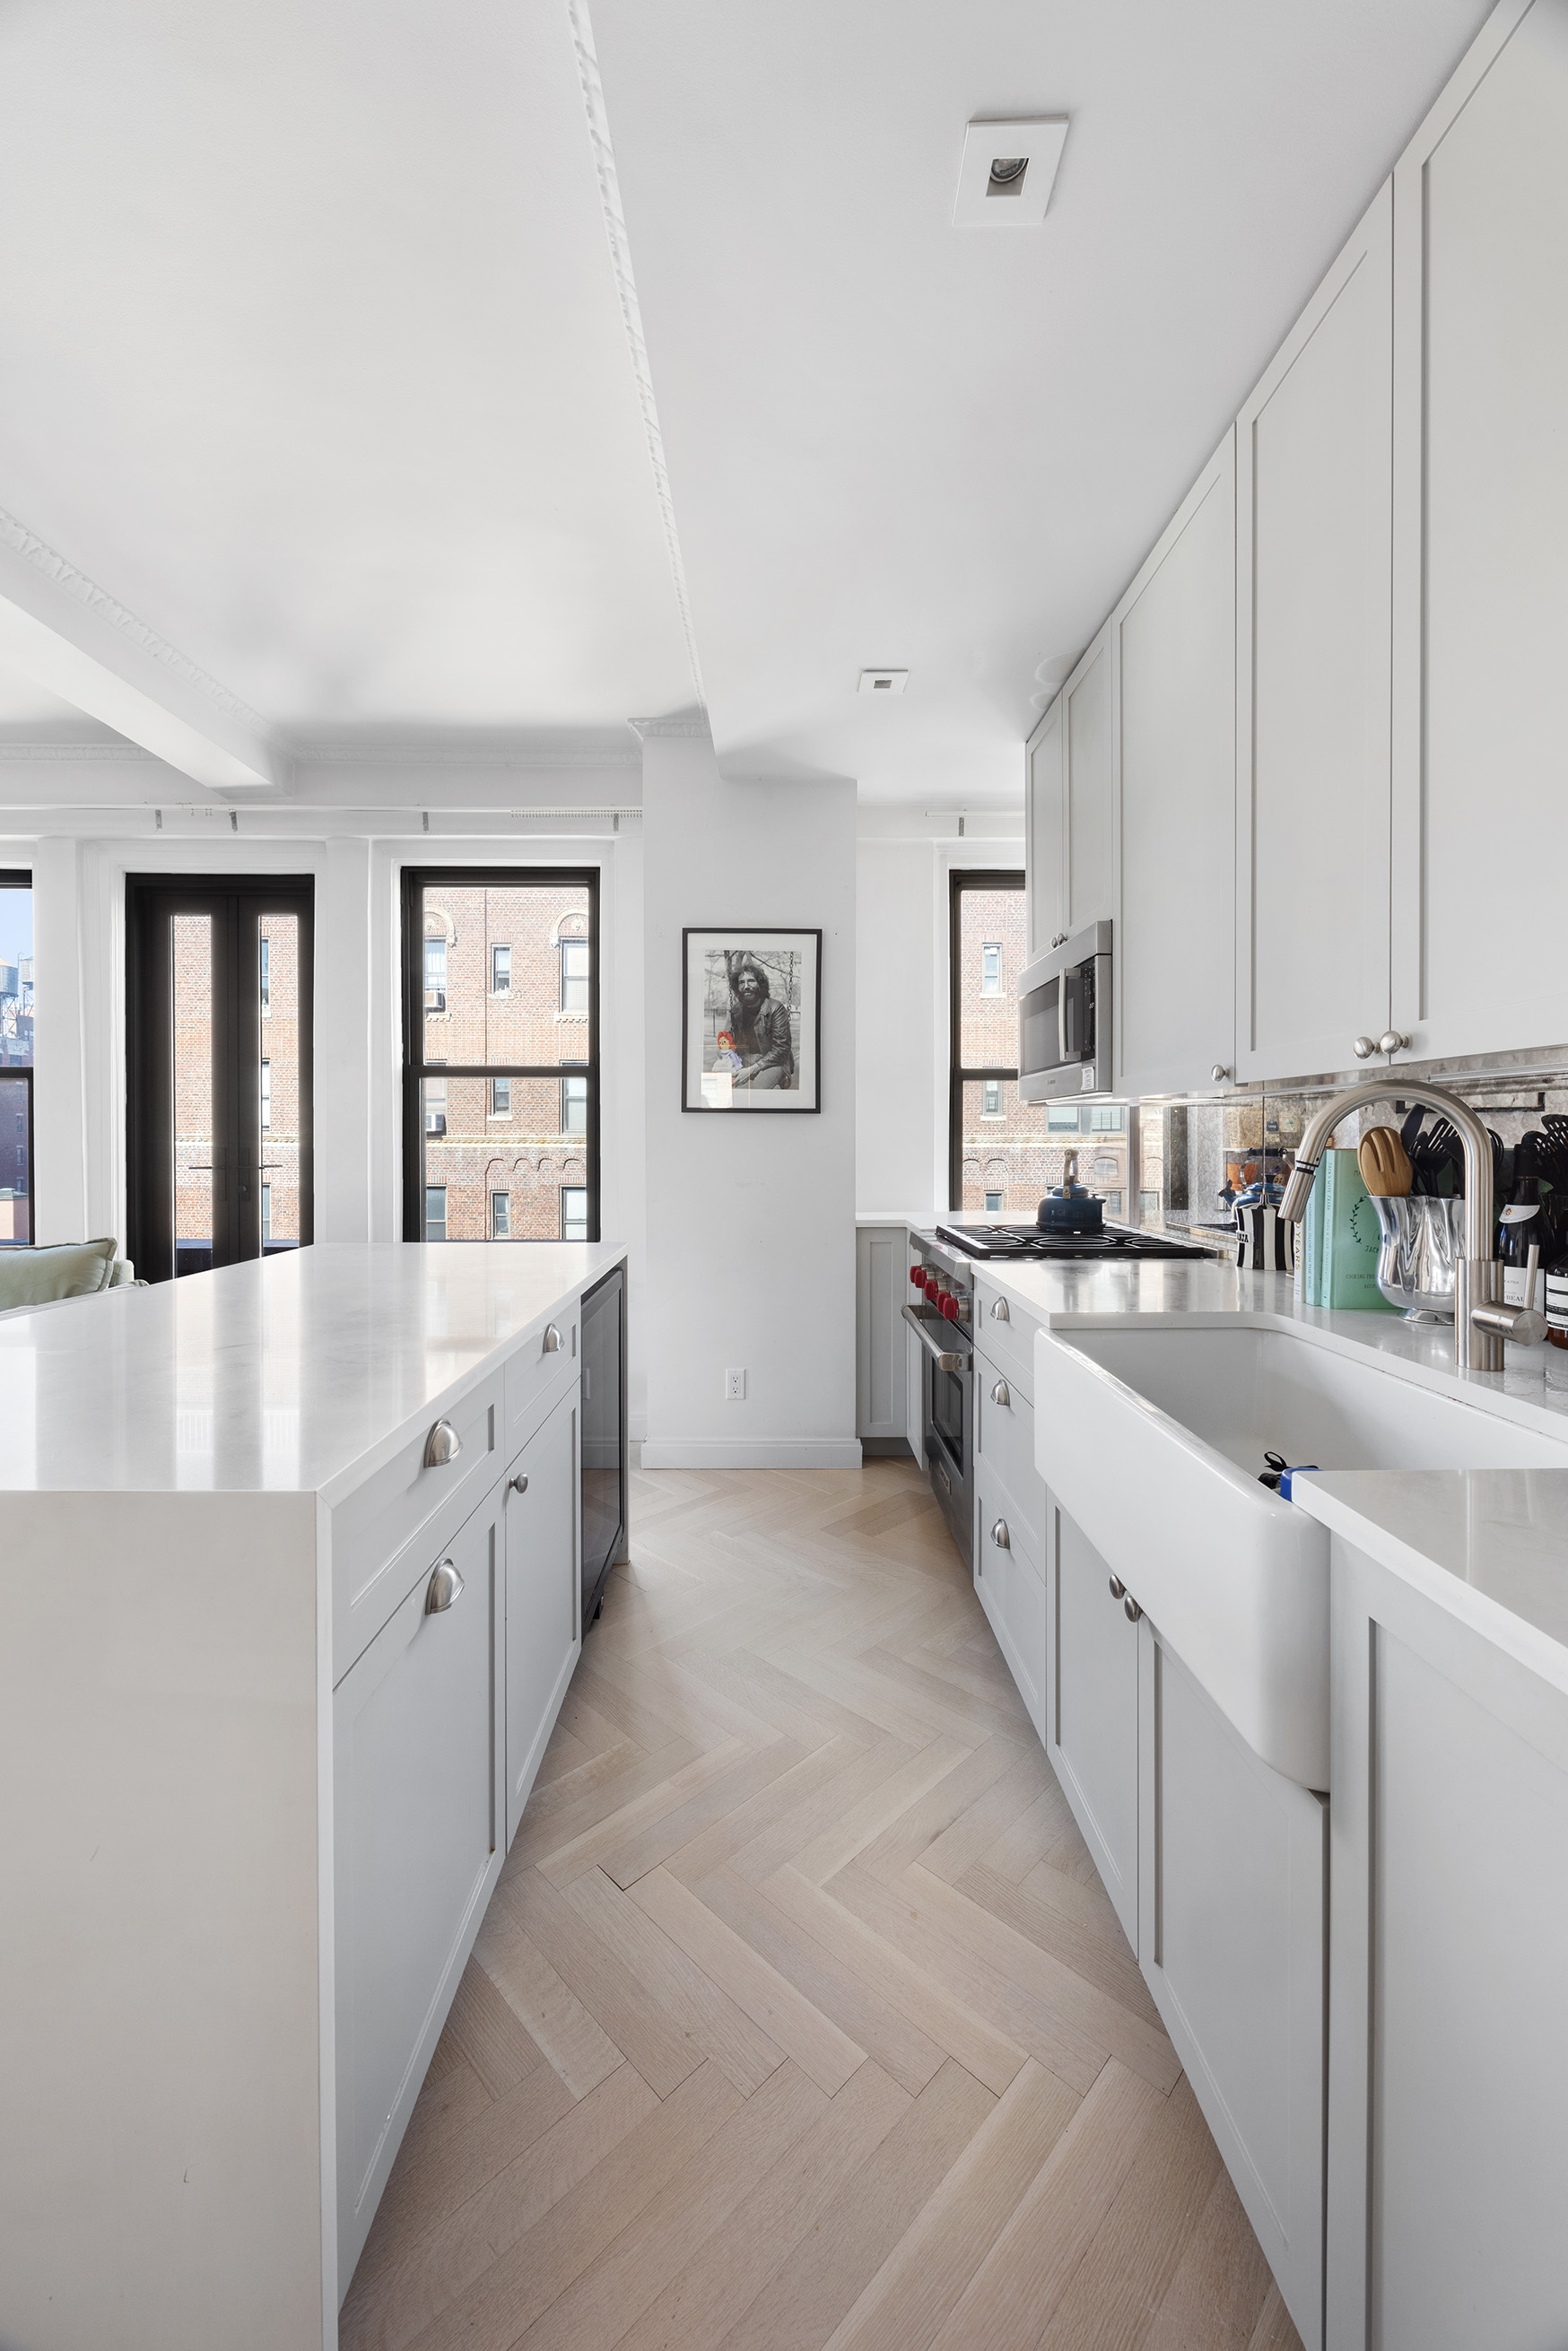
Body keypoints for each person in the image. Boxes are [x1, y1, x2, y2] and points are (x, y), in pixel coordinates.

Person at [722, 952, 795, 1090]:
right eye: (741, 982)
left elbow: (782, 1049)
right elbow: (736, 1042)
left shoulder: (775, 1008)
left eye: (751, 981)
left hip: (775, 1061)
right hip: (748, 1059)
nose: (746, 986)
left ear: (760, 985)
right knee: (728, 1085)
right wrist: (727, 1047)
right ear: (737, 988)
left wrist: (752, 1070)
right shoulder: (737, 1011)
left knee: (758, 1088)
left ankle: (782, 1079)